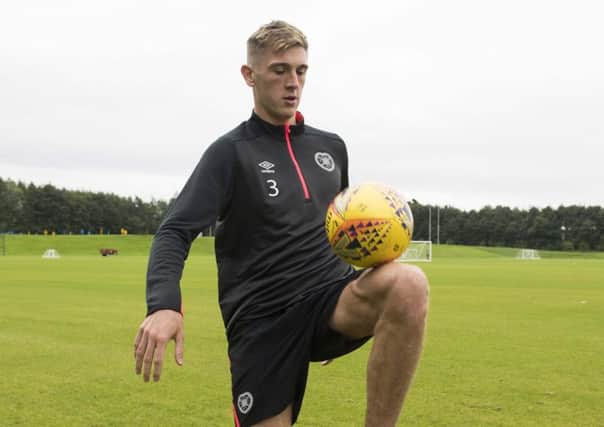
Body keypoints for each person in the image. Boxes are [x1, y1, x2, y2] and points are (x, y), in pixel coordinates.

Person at [134, 20, 429, 427]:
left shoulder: (331, 147)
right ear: (249, 75)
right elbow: (175, 230)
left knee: (409, 284)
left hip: (328, 301)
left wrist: (342, 311)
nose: (293, 82)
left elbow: (337, 231)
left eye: (301, 70)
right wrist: (164, 305)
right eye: (279, 70)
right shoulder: (230, 153)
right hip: (263, 323)